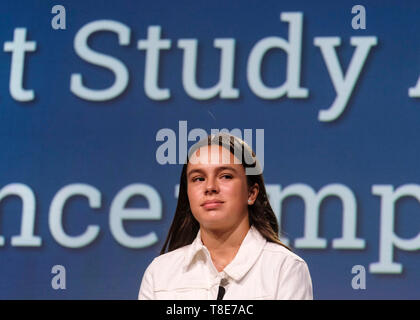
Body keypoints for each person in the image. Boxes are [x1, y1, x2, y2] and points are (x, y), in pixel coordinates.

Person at [138, 133, 313, 300]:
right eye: (198, 178)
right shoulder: (159, 273)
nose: (210, 187)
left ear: (251, 193)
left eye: (225, 176)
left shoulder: (285, 268)